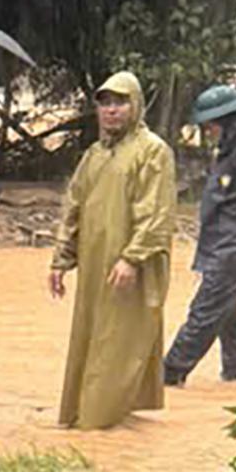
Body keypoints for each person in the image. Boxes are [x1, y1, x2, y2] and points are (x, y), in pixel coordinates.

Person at [50, 72, 177, 431]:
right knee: (90, 336)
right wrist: (60, 260)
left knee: (118, 340)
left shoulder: (153, 151)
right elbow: (73, 206)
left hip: (130, 269)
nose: (111, 110)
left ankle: (97, 423)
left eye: (120, 102)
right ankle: (84, 414)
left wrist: (131, 258)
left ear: (135, 105)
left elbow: (157, 214)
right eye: (105, 103)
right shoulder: (94, 154)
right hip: (94, 267)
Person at [163, 83, 236, 387]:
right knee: (233, 310)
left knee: (204, 311)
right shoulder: (232, 147)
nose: (209, 132)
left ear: (230, 121)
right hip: (223, 242)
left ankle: (167, 375)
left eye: (212, 125)